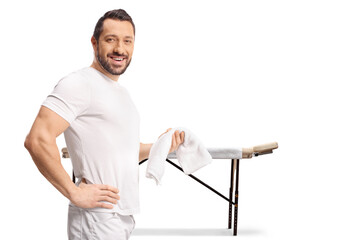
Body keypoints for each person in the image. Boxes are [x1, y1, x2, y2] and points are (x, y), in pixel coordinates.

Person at [24, 9, 184, 240]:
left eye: (127, 41)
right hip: (95, 217)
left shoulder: (122, 94)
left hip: (120, 215)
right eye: (111, 40)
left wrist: (162, 145)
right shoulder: (78, 83)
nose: (120, 48)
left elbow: (127, 152)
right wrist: (73, 192)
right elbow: (37, 139)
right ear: (94, 42)